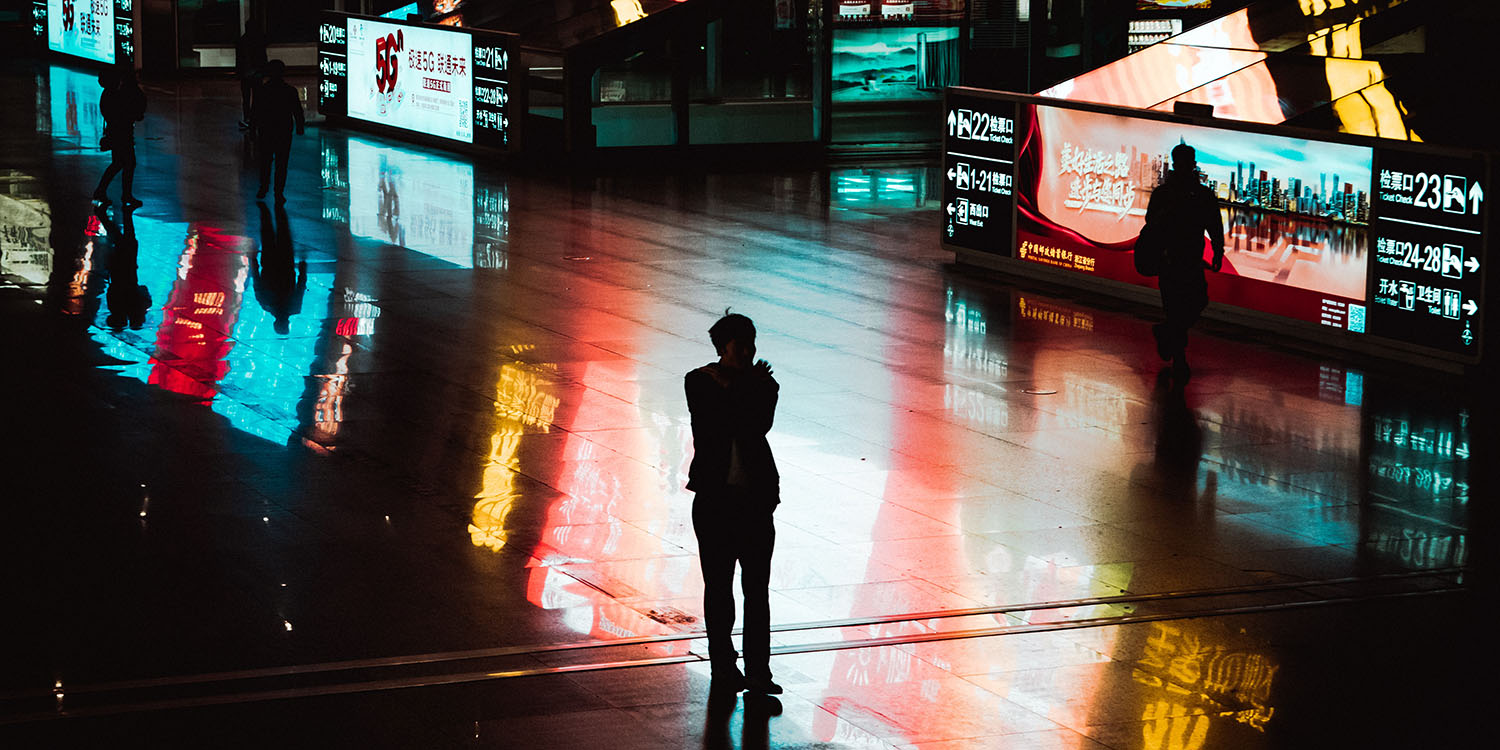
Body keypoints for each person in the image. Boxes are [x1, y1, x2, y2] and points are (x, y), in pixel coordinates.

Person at [685, 311, 782, 696]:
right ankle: (725, 666)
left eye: (750, 344)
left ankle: (758, 671)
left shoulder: (764, 385)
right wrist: (747, 386)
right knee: (721, 589)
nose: (747, 351)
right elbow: (722, 421)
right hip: (716, 503)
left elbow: (754, 424)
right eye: (739, 345)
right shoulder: (699, 381)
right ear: (722, 347)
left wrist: (743, 387)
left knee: (756, 590)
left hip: (753, 503)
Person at [1145, 143, 1225, 385]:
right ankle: (1179, 358)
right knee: (1177, 307)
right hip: (1171, 259)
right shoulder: (1167, 194)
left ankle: (1167, 332)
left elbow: (1214, 225)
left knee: (1196, 301)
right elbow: (1151, 222)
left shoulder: (1199, 194)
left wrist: (1218, 250)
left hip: (1189, 258)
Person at [92, 66, 147, 209]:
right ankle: (123, 194)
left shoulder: (109, 94)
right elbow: (133, 109)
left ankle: (103, 190)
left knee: (118, 163)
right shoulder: (119, 93)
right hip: (123, 133)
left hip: (115, 132)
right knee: (128, 163)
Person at [250, 60, 305, 203]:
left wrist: (252, 129)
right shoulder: (290, 91)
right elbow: (297, 111)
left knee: (265, 160)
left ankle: (263, 187)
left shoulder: (263, 90)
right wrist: (300, 127)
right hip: (283, 131)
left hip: (266, 130)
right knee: (282, 163)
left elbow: (255, 111)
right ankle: (278, 192)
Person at [251, 202, 306, 334]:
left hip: (286, 264)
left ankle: (278, 208)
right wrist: (253, 262)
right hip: (269, 264)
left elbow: (301, 286)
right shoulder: (265, 304)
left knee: (283, 233)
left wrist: (303, 270)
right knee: (268, 235)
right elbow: (257, 282)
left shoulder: (294, 307)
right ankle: (266, 210)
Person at [235, 24, 269, 130]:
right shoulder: (258, 42)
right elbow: (263, 57)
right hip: (256, 74)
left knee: (246, 98)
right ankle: (255, 117)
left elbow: (239, 59)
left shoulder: (242, 41)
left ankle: (248, 118)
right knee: (256, 97)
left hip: (246, 74)